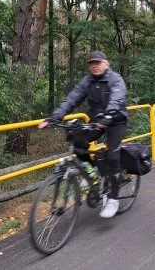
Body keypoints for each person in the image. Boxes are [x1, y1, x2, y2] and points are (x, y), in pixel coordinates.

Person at [38, 50, 128, 218]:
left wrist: (108, 116)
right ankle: (93, 174)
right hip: (96, 121)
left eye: (98, 63)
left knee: (113, 156)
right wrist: (54, 118)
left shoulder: (116, 79)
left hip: (116, 120)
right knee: (78, 142)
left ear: (106, 64)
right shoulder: (87, 82)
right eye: (91, 64)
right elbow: (72, 99)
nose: (94, 66)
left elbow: (116, 99)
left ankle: (113, 199)